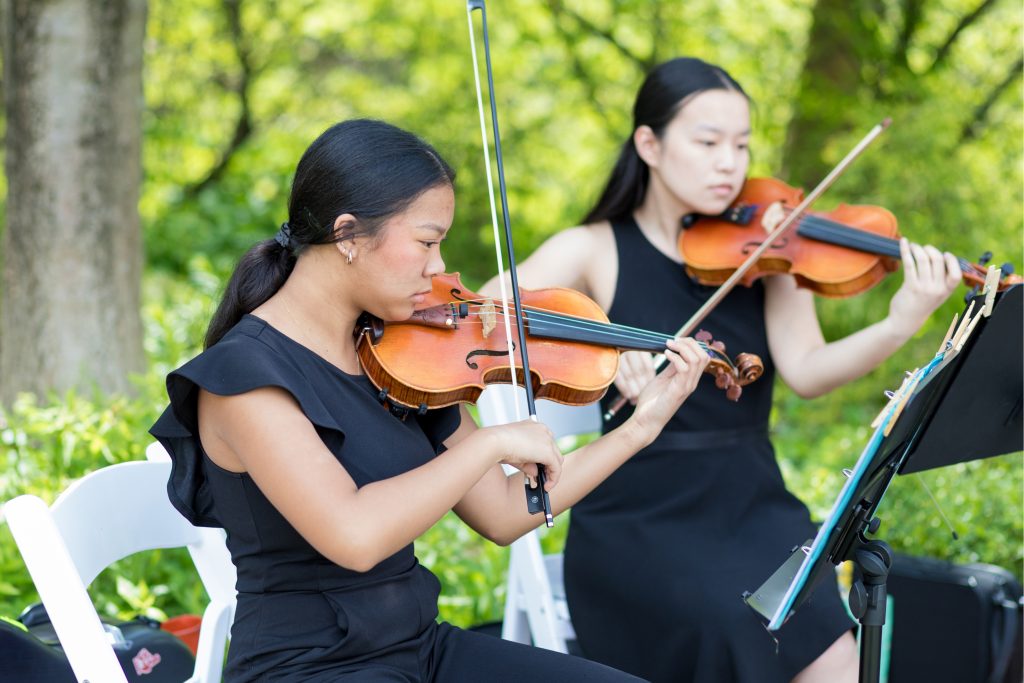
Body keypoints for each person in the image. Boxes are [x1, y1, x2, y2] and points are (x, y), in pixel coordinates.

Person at [150, 118, 712, 682]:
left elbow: (504, 512)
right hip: (312, 670)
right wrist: (488, 443)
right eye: (426, 241)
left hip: (421, 651)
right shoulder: (244, 378)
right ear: (347, 235)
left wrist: (640, 427)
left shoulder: (398, 353)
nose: (439, 267)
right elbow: (356, 536)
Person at [479, 57, 962, 683]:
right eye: (707, 142)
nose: (729, 162)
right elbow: (486, 315)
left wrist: (901, 322)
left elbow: (810, 372)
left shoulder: (770, 246)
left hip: (752, 501)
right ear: (649, 144)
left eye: (741, 144)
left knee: (831, 649)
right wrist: (602, 345)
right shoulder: (594, 247)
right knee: (733, 622)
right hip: (639, 513)